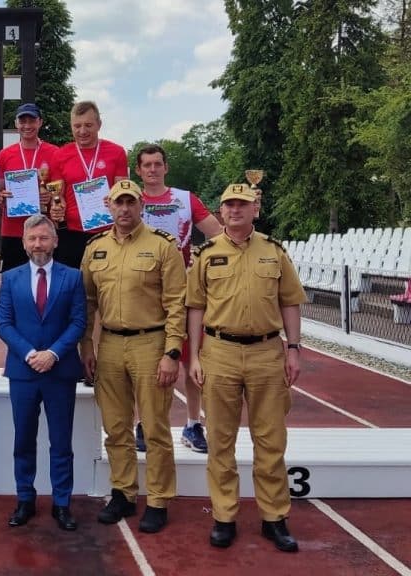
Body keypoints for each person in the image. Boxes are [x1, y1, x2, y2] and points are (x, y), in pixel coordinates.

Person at [187, 183, 306, 552]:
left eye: (242, 205)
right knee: (220, 440)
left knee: (270, 440)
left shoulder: (274, 251)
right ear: (221, 212)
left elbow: (290, 302)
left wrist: (294, 349)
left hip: (267, 353)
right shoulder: (206, 254)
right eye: (228, 205)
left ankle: (274, 518)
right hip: (220, 353)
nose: (235, 210)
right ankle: (224, 516)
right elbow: (195, 307)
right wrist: (193, 356)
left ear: (255, 209)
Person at [80, 180, 186, 534]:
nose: (125, 209)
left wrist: (172, 353)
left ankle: (158, 499)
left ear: (142, 205)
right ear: (108, 205)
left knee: (154, 427)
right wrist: (86, 346)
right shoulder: (95, 248)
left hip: (150, 343)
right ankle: (123, 492)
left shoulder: (162, 246)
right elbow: (88, 303)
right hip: (109, 344)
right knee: (116, 426)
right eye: (119, 203)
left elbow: (176, 304)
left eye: (131, 202)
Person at [0, 214, 86, 531]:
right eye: (32, 239)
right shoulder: (11, 278)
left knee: (61, 442)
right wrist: (32, 354)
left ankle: (62, 503)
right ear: (23, 242)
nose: (38, 244)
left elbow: (78, 322)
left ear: (55, 241)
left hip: (59, 372)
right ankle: (25, 499)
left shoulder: (73, 277)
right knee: (24, 440)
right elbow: (3, 323)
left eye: (44, 238)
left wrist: (53, 354)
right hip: (23, 371)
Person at [135, 143, 223, 454]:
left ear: (166, 168)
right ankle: (144, 423)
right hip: (141, 293)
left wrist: (202, 266)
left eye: (157, 164)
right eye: (146, 165)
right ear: (138, 170)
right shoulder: (130, 200)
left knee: (188, 360)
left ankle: (192, 423)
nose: (152, 170)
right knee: (145, 361)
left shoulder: (185, 199)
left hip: (181, 292)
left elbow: (219, 235)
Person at [48, 101, 129, 268]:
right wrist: (56, 206)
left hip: (108, 233)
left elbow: (122, 192)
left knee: (107, 289)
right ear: (71, 126)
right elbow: (57, 195)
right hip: (71, 234)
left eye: (88, 125)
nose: (82, 131)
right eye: (77, 126)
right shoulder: (60, 155)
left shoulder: (117, 152)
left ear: (99, 124)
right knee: (71, 288)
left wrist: (115, 199)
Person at [0, 103, 60, 272]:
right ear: (16, 123)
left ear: (40, 122)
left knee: (46, 283)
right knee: (12, 284)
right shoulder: (5, 155)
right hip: (13, 232)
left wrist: (51, 197)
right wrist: (1, 197)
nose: (27, 126)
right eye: (23, 121)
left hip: (43, 234)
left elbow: (59, 191)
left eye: (32, 121)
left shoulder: (54, 152)